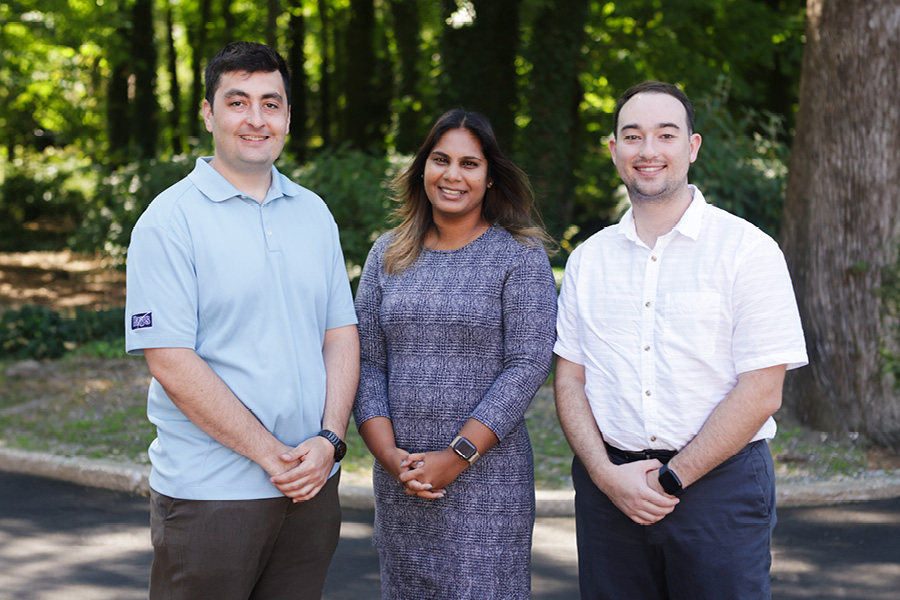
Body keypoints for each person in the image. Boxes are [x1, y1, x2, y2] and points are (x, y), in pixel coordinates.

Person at [554, 81, 808, 599]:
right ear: (614, 151)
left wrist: (671, 480)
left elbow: (762, 391)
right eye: (633, 136)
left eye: (665, 135)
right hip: (610, 495)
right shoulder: (588, 260)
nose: (648, 151)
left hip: (720, 491)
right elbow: (570, 380)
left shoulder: (748, 251)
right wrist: (605, 476)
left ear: (691, 147)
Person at [124, 41, 359, 600]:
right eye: (238, 102)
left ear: (287, 116)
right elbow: (171, 361)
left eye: (271, 104)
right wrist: (271, 456)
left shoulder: (313, 213)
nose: (256, 119)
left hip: (311, 487)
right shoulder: (167, 222)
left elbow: (339, 334)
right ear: (208, 114)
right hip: (212, 497)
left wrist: (328, 441)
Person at [353, 108, 558, 599]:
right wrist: (388, 456)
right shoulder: (388, 252)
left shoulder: (519, 255)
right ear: (422, 167)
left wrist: (456, 454)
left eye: (470, 163)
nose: (452, 174)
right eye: (441, 159)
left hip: (487, 481)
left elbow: (527, 364)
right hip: (401, 479)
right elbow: (365, 360)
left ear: (490, 178)